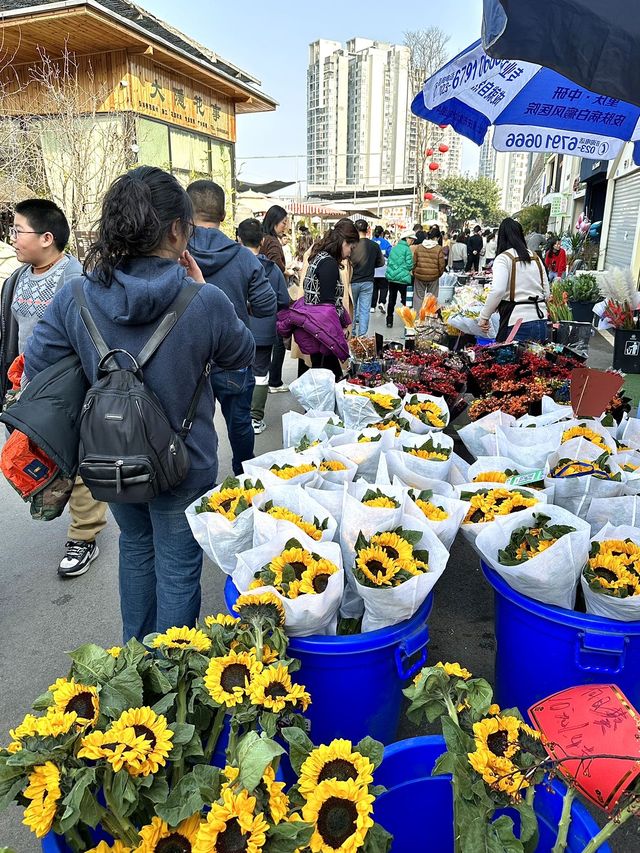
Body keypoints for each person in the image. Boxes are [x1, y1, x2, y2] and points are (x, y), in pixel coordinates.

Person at [24, 166, 255, 640]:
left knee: (135, 547)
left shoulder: (75, 296)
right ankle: (172, 674)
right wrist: (199, 287)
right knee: (176, 567)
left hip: (108, 458)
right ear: (176, 230)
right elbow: (241, 354)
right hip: (184, 462)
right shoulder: (203, 300)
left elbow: (37, 367)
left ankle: (136, 660)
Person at [0, 199, 109, 579]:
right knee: (46, 460)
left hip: (69, 389)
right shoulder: (16, 279)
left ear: (47, 238)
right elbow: (11, 337)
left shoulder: (75, 280)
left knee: (76, 458)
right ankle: (77, 515)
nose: (12, 238)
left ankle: (84, 536)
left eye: (18, 231)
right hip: (28, 386)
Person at [186, 181, 276, 473]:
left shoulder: (174, 254)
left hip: (185, 358)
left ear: (186, 212)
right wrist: (239, 307)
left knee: (188, 426)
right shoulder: (243, 258)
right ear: (223, 216)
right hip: (231, 355)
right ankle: (243, 476)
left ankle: (198, 484)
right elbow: (266, 305)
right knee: (239, 423)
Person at [279, 218, 359, 380]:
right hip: (322, 332)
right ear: (343, 242)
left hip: (314, 330)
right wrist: (341, 328)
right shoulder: (329, 264)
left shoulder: (320, 257)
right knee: (330, 378)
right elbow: (328, 306)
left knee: (323, 377)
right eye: (351, 247)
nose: (351, 251)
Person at [237, 218, 290, 436]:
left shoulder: (233, 266)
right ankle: (255, 419)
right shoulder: (272, 269)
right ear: (262, 240)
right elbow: (284, 300)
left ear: (238, 239)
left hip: (237, 330)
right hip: (265, 330)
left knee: (237, 372)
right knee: (260, 374)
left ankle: (239, 415)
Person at [478, 217, 549, 344]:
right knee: (537, 362)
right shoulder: (535, 257)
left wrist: (484, 317)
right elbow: (547, 293)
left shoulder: (503, 258)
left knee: (510, 362)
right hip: (541, 321)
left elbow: (498, 290)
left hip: (517, 322)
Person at [260, 205, 290, 394]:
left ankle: (268, 378)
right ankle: (274, 380)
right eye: (283, 222)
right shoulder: (272, 241)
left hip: (263, 294)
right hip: (274, 294)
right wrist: (285, 271)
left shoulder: (265, 239)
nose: (285, 226)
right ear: (274, 222)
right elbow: (272, 266)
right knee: (279, 339)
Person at [349, 219, 384, 336]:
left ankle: (352, 334)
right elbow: (381, 263)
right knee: (364, 310)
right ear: (368, 229)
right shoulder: (374, 245)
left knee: (352, 309)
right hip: (368, 281)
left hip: (352, 281)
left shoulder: (351, 245)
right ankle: (362, 336)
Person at [412, 226, 446, 314]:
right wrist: (439, 274)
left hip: (419, 276)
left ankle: (418, 318)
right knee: (432, 298)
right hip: (433, 277)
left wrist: (414, 272)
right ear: (437, 238)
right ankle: (430, 317)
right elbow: (441, 265)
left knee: (418, 297)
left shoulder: (419, 247)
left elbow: (414, 262)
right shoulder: (438, 249)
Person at [385, 230, 415, 328]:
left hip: (392, 279)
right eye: (412, 239)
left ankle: (389, 320)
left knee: (391, 300)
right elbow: (410, 265)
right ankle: (407, 321)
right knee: (405, 300)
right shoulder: (407, 250)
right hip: (403, 279)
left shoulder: (394, 248)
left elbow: (389, 261)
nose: (413, 241)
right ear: (407, 238)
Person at [371, 225, 391, 314]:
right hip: (383, 269)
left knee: (374, 289)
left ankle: (372, 306)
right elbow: (390, 254)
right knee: (384, 288)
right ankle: (382, 302)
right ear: (382, 233)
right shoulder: (386, 243)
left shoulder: (371, 242)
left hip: (373, 270)